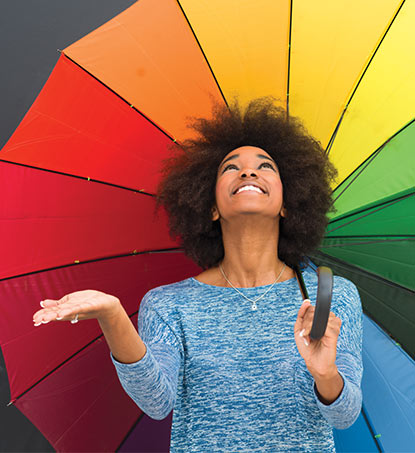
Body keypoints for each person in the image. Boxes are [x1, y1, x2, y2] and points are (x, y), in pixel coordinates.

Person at [33, 97, 363, 452]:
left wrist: (325, 373)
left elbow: (344, 417)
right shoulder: (168, 304)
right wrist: (112, 315)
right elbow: (157, 402)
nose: (248, 172)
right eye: (230, 168)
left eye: (265, 166)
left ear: (287, 203)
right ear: (210, 208)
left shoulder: (330, 296)